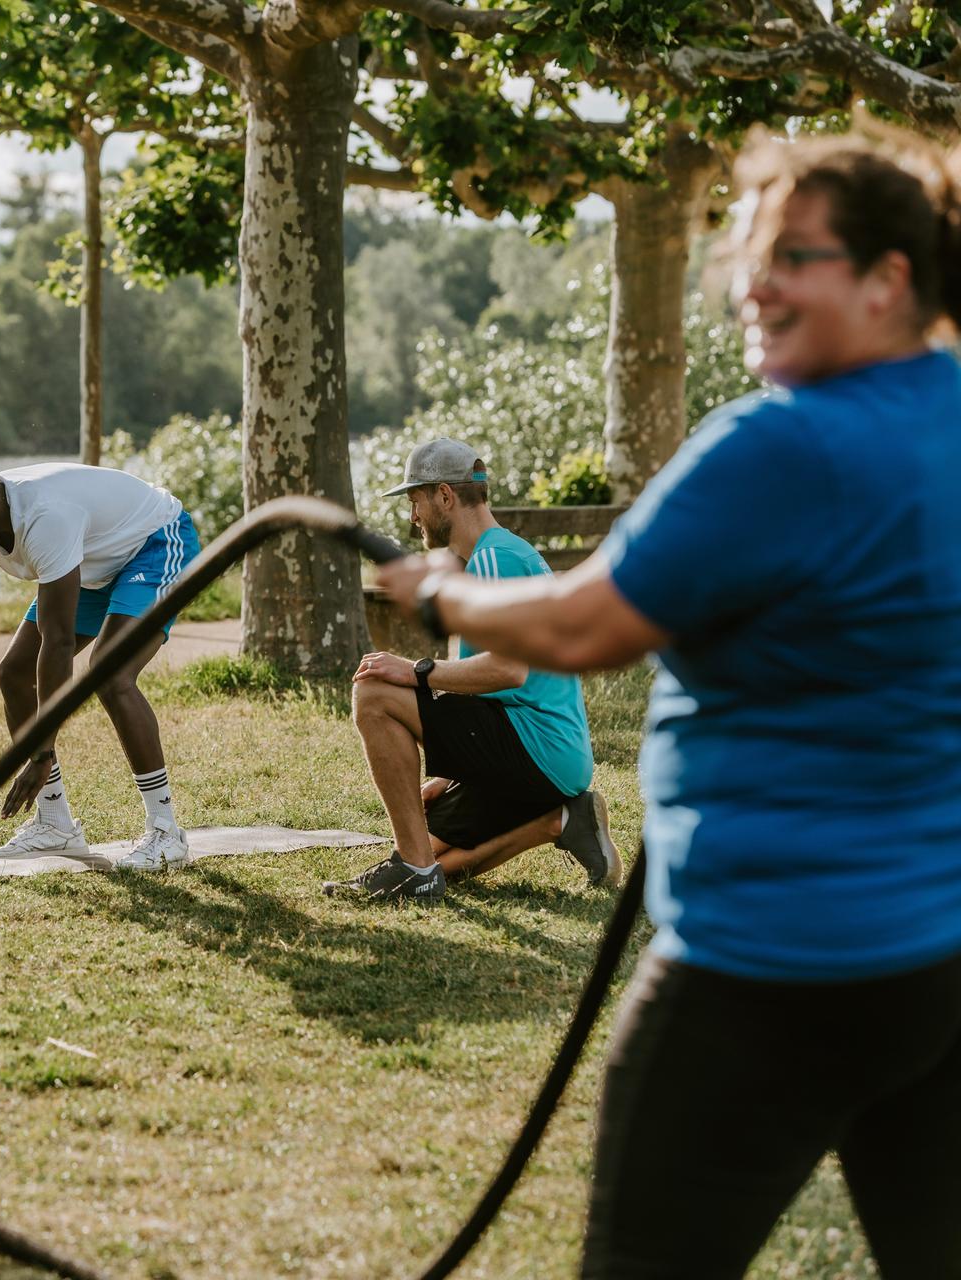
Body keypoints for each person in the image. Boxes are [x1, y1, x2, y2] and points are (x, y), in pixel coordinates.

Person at [377, 126, 961, 1275]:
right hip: (934, 959)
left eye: (794, 253)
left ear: (891, 279)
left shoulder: (781, 444)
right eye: (748, 248)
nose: (753, 279)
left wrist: (446, 588)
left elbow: (580, 627)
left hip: (772, 961)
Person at [326, 437, 618, 905]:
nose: (412, 516)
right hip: (551, 760)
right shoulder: (491, 558)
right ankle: (561, 821)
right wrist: (448, 775)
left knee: (375, 690)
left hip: (536, 747)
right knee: (433, 852)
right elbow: (476, 679)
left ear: (444, 496)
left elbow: (508, 669)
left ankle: (413, 868)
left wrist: (416, 671)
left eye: (415, 500)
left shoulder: (495, 557)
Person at [0, 455, 199, 870]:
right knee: (14, 674)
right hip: (91, 562)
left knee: (110, 672)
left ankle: (165, 830)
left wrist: (42, 752)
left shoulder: (45, 517)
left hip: (154, 543)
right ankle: (56, 825)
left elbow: (57, 642)